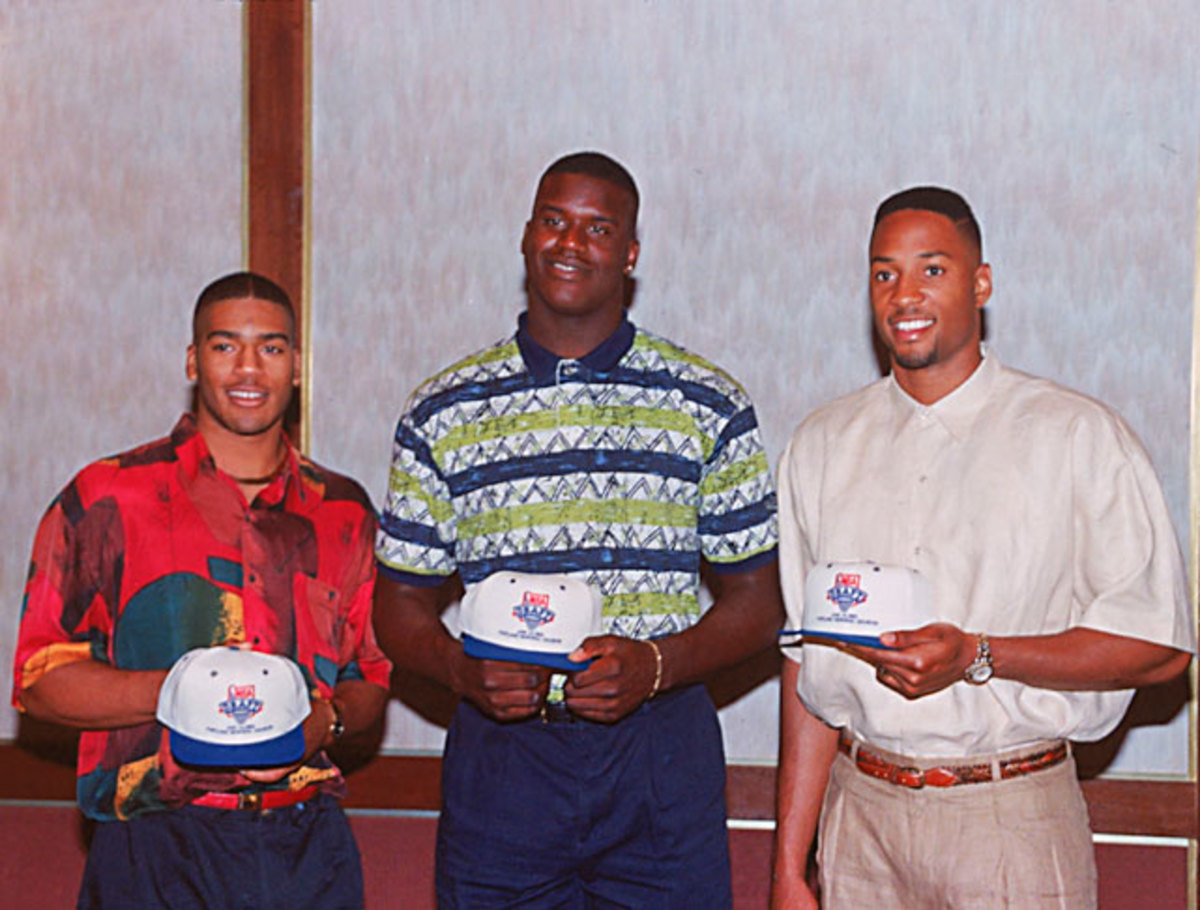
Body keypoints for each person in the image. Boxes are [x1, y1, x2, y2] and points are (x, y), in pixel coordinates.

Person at [374, 151, 782, 907]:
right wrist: (464, 672)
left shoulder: (707, 402)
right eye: (555, 220)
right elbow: (397, 607)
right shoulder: (442, 411)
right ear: (526, 235)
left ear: (630, 255)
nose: (571, 243)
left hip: (660, 753)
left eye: (598, 228)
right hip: (505, 760)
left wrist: (655, 666)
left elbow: (760, 605)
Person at [771, 187, 1195, 909]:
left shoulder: (1077, 437)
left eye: (932, 269)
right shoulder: (821, 445)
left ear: (981, 282)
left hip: (1009, 816)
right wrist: (787, 864)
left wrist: (977, 655)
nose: (905, 294)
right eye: (884, 273)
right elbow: (806, 669)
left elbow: (1160, 648)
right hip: (859, 821)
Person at [13, 272, 392, 908]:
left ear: (296, 365)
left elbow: (371, 676)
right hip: (154, 841)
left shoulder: (344, 510)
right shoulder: (107, 498)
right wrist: (188, 695)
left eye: (271, 347)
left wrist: (323, 720)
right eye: (225, 346)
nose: (249, 368)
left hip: (307, 843)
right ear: (193, 360)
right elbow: (38, 678)